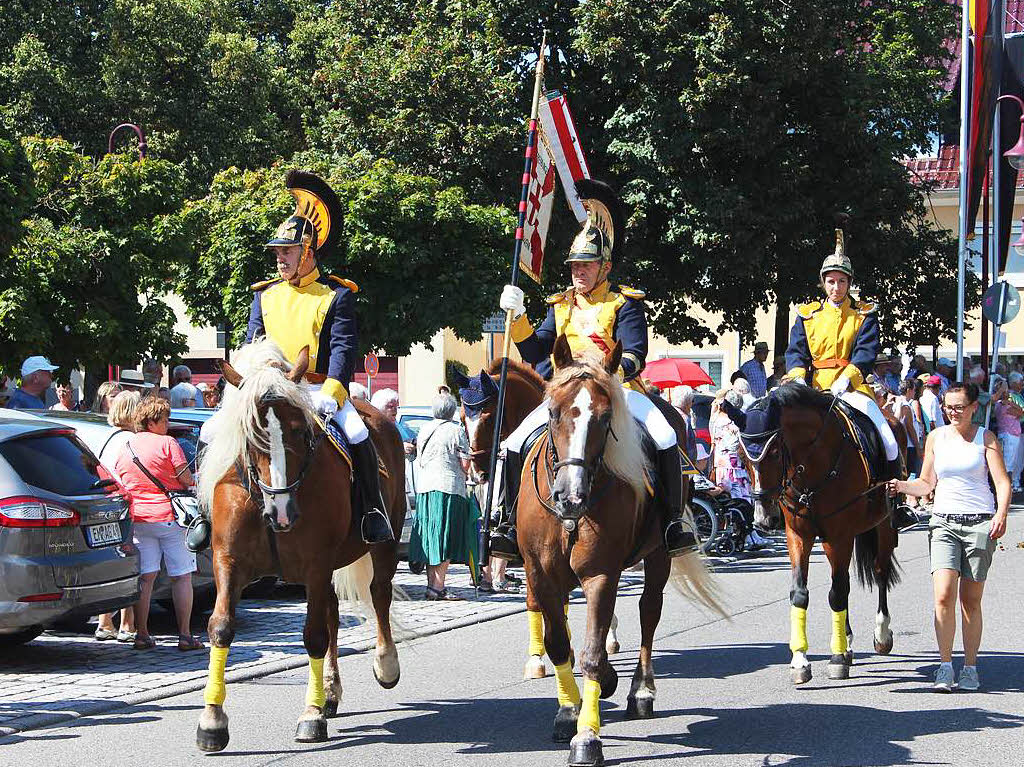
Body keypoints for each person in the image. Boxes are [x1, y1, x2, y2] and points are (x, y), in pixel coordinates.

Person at [494, 179, 698, 558]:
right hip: (570, 395)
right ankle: (506, 523)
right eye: (574, 266)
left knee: (665, 436)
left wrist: (604, 379)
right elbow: (536, 349)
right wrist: (518, 316)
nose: (579, 272)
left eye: (586, 265)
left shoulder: (624, 302)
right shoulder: (560, 305)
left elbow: (634, 351)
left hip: (617, 391)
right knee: (513, 442)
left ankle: (673, 522)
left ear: (604, 266)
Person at [243, 170, 392, 543]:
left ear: (307, 252)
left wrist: (333, 390)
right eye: (277, 252)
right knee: (213, 432)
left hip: (316, 390)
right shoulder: (264, 295)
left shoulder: (336, 294)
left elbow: (343, 346)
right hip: (269, 388)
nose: (280, 259)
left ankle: (372, 512)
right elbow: (251, 342)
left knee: (358, 433)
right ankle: (208, 516)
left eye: (287, 251)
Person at [783, 218, 914, 530]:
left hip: (851, 386)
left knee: (886, 434)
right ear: (823, 283)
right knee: (781, 431)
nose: (836, 287)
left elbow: (866, 352)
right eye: (831, 281)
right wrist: (798, 375)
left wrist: (850, 376)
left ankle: (895, 501)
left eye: (841, 281)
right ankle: (778, 498)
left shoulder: (864, 315)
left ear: (849, 283)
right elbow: (796, 351)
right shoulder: (807, 315)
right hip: (813, 388)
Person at [888, 382, 1010, 692]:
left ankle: (969, 666)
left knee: (970, 601)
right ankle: (945, 666)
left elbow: (1002, 483)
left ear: (973, 408)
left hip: (980, 524)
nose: (951, 412)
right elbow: (927, 483)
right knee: (943, 595)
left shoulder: (986, 439)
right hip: (943, 523)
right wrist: (902, 486)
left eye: (958, 407)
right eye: (947, 407)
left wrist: (1001, 514)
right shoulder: (935, 438)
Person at [113, 397, 203, 651]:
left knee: (146, 578)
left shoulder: (127, 445)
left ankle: (142, 633)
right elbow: (185, 479)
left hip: (139, 518)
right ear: (152, 421)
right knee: (181, 576)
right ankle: (185, 635)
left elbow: (120, 477)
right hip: (170, 517)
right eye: (164, 419)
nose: (168, 424)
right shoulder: (168, 443)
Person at [408, 393, 475, 600]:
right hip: (449, 488)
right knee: (445, 537)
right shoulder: (456, 430)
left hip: (425, 488)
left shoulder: (425, 429)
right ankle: (439, 587)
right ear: (451, 410)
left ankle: (431, 586)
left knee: (431, 537)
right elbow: (465, 465)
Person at [93, 390, 143, 643]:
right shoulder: (130, 441)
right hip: (127, 506)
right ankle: (127, 624)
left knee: (112, 563)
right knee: (129, 563)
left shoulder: (108, 438)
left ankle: (105, 622)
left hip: (107, 505)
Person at [710, 389, 769, 550]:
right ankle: (749, 535)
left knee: (738, 501)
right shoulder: (729, 423)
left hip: (723, 464)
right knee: (742, 500)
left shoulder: (715, 419)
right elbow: (732, 445)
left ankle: (749, 534)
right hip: (732, 465)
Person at [991, 375, 1022, 494]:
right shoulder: (1001, 405)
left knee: (1010, 463)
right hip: (1008, 435)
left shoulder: (1006, 403)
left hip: (1012, 435)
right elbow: (1019, 412)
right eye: (1005, 390)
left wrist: (1010, 401)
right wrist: (1009, 402)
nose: (1007, 392)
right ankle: (1006, 488)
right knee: (1007, 464)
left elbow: (1019, 411)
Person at [372, 388, 416, 456]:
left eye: (396, 406)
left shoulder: (396, 425)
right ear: (380, 408)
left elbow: (405, 439)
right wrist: (400, 448)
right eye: (390, 406)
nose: (395, 409)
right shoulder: (375, 427)